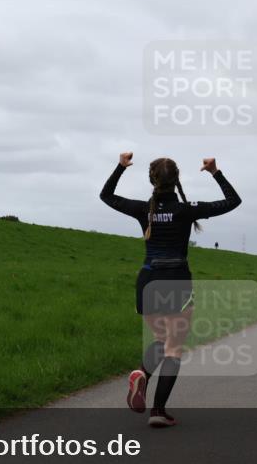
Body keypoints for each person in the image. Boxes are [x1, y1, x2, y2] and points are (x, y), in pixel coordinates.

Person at [100, 152, 241, 427]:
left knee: (160, 339)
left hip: (148, 279)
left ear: (152, 181)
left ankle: (142, 374)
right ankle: (158, 411)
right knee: (174, 348)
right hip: (177, 279)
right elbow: (233, 201)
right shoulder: (186, 210)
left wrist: (120, 167)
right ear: (176, 181)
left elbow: (107, 196)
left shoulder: (143, 209)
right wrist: (215, 172)